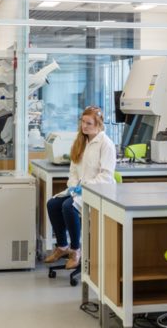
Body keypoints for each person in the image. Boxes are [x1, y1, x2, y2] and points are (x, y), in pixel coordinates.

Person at [44, 106, 116, 270]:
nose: (84, 126)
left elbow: (106, 175)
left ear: (98, 125)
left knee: (68, 207)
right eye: (83, 122)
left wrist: (85, 187)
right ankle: (62, 246)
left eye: (89, 123)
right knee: (52, 204)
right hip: (79, 189)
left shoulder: (106, 144)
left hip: (99, 191)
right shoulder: (80, 142)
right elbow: (73, 170)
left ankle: (76, 250)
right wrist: (73, 186)